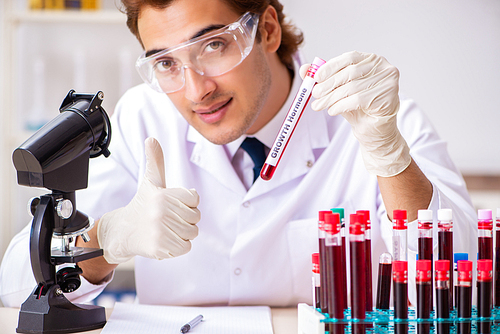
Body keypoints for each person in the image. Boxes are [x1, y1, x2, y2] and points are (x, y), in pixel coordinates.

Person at [0, 0, 477, 308]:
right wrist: (105, 240)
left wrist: (389, 155)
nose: (195, 90)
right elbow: (17, 285)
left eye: (213, 46)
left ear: (267, 29)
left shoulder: (378, 118)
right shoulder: (142, 119)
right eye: (166, 62)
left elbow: (465, 277)